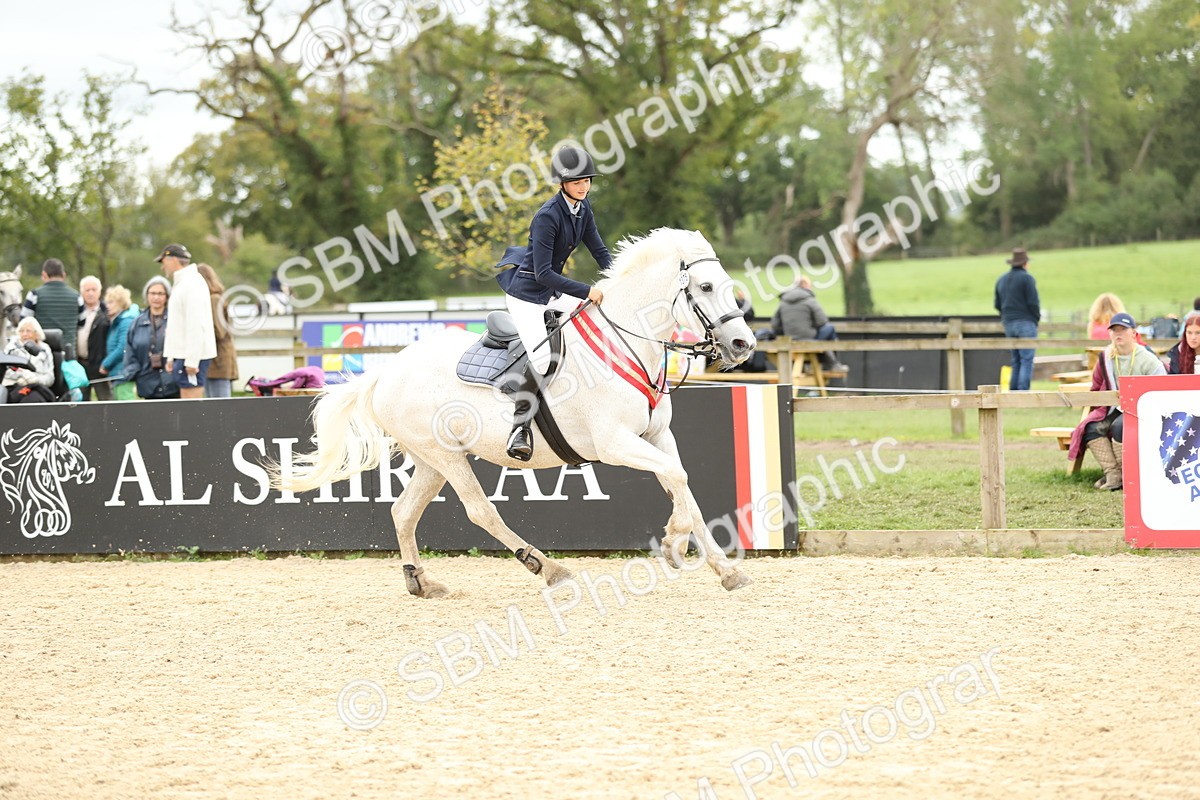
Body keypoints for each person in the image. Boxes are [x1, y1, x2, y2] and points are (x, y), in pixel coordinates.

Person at [494, 145, 609, 461]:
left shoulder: (583, 210)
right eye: (576, 182)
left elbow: (599, 251)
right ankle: (520, 427)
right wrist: (586, 290)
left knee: (598, 318)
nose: (583, 186)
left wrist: (619, 277)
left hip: (551, 291)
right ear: (562, 183)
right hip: (528, 296)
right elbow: (544, 274)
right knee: (544, 360)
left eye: (587, 180)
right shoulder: (547, 216)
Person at [1067, 312, 1166, 491]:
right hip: (1113, 407)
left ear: (1133, 333)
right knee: (1091, 427)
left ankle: (1128, 475)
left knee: (1120, 426)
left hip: (1141, 410)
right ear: (1110, 334)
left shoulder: (1148, 359)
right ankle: (1113, 474)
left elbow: (1161, 389)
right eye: (1114, 330)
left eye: (1123, 329)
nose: (1118, 333)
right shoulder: (1106, 358)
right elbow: (1096, 387)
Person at [156, 243, 216, 400]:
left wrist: (192, 360)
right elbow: (177, 324)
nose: (163, 268)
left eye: (163, 262)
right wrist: (171, 356)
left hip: (191, 357)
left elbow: (195, 324)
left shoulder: (192, 283)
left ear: (171, 259)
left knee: (192, 407)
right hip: (183, 355)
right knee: (186, 405)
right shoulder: (183, 283)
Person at [770, 276, 845, 371]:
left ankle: (814, 365)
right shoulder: (809, 300)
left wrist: (787, 332)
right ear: (805, 285)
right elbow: (822, 321)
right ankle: (833, 364)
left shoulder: (783, 302)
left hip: (789, 339)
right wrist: (812, 326)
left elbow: (775, 325)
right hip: (809, 338)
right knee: (830, 329)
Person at [124, 277, 178, 401]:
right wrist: (136, 372)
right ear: (147, 295)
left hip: (172, 384)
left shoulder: (175, 319)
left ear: (167, 296)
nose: (156, 297)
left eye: (160, 293)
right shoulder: (137, 323)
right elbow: (129, 351)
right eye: (153, 293)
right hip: (147, 385)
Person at [994, 247, 1040, 391]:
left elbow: (997, 304)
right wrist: (1035, 319)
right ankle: (1023, 392)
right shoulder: (1027, 278)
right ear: (1025, 263)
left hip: (1008, 324)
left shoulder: (1001, 280)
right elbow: (1033, 303)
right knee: (1027, 360)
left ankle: (1013, 391)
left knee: (1016, 360)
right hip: (1026, 322)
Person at [195, 263, 239, 398]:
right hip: (213, 362)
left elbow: (218, 332)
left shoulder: (214, 299)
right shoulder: (211, 299)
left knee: (220, 408)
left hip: (218, 362)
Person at [21, 258, 84, 342]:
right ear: (64, 275)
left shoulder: (34, 295)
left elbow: (23, 321)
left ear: (44, 274)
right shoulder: (77, 296)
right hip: (68, 351)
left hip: (40, 351)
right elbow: (82, 323)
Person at [2, 317, 56, 403]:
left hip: (38, 387)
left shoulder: (44, 349)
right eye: (21, 331)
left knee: (34, 398)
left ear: (36, 333)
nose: (24, 334)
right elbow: (5, 371)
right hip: (15, 386)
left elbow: (50, 377)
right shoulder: (11, 348)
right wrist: (22, 376)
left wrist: (35, 379)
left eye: (28, 331)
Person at [99, 286, 139, 401]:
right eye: (107, 302)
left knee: (126, 410)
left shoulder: (126, 321)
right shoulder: (117, 321)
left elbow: (123, 347)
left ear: (121, 303)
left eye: (111, 302)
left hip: (124, 372)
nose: (107, 306)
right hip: (117, 373)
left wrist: (106, 364)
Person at [77, 275, 111, 401]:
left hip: (100, 364)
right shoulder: (76, 311)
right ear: (81, 292)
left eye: (94, 289)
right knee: (81, 401)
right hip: (80, 363)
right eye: (87, 290)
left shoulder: (107, 312)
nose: (90, 293)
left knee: (106, 400)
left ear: (99, 291)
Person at [1166, 311, 1200, 375]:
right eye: (1189, 333)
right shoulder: (1177, 354)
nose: (1193, 337)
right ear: (1185, 334)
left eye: (1198, 333)